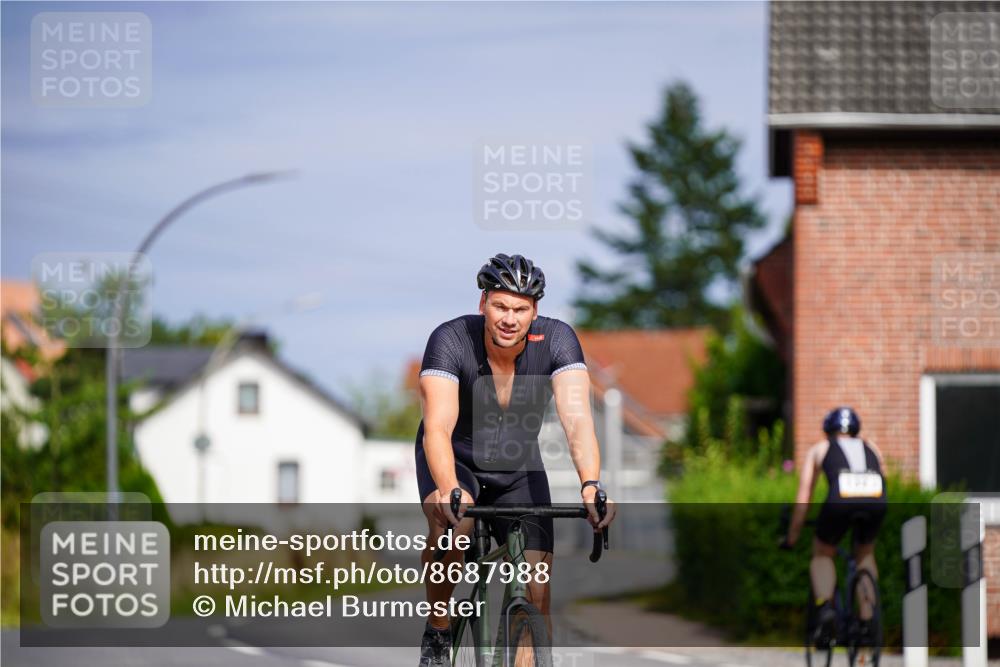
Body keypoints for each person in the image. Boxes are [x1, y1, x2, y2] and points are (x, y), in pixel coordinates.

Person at [415, 253, 616, 667]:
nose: (510, 318)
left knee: (537, 593)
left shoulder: (558, 340)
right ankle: (437, 628)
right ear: (483, 304)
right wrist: (450, 489)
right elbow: (437, 427)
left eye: (520, 309)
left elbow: (577, 420)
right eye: (501, 306)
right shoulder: (450, 340)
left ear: (535, 312)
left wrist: (591, 484)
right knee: (454, 529)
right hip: (457, 461)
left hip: (518, 468)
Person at [783, 407, 887, 643]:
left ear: (828, 430)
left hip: (840, 500)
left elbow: (803, 498)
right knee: (865, 554)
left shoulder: (820, 448)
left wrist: (792, 535)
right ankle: (868, 619)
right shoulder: (871, 447)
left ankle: (826, 607)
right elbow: (884, 478)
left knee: (822, 553)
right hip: (877, 499)